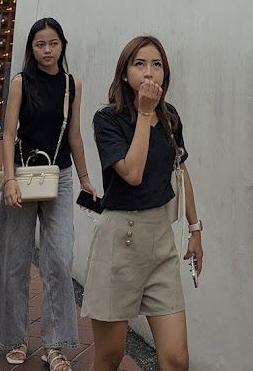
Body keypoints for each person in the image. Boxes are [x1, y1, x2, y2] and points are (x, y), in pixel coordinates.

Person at [82, 36, 203, 371]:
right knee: (110, 356)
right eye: (139, 64)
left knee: (177, 358)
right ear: (124, 74)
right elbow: (132, 174)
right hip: (120, 239)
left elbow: (180, 169)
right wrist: (144, 112)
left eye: (157, 64)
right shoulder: (107, 119)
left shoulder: (170, 117)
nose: (149, 72)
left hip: (159, 238)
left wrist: (195, 229)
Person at [0, 18, 97, 369]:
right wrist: (11, 181)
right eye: (40, 45)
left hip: (59, 178)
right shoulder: (20, 83)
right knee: (13, 259)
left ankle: (56, 344)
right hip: (22, 175)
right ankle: (13, 338)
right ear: (31, 49)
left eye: (53, 44)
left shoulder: (72, 85)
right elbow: (7, 133)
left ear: (63, 45)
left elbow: (75, 136)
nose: (47, 51)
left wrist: (85, 178)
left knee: (60, 259)